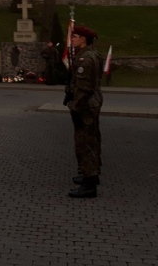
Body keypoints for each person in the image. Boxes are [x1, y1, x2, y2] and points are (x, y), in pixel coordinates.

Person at [65, 26, 103, 199]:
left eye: (76, 36)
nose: (72, 39)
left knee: (84, 143)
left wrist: (76, 106)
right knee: (91, 139)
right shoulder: (90, 54)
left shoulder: (85, 59)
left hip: (85, 106)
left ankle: (89, 183)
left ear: (84, 40)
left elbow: (83, 87)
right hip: (91, 104)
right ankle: (91, 174)